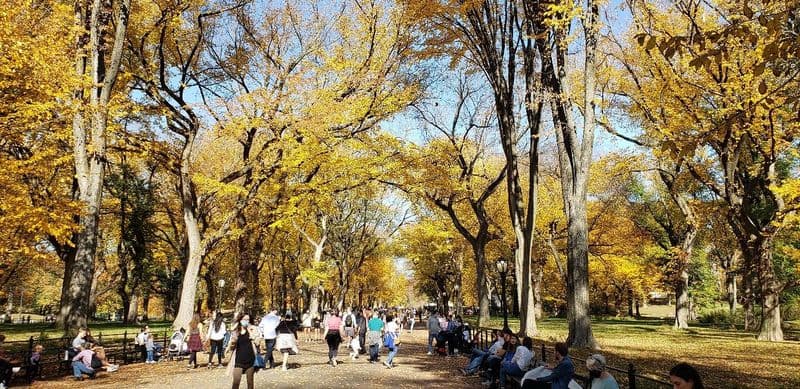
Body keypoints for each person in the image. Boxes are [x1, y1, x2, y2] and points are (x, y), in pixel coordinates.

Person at [226, 313, 261, 389]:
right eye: (244, 319)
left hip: (250, 359)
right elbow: (232, 345)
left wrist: (251, 333)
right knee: (236, 382)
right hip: (238, 360)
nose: (246, 321)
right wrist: (231, 343)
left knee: (250, 383)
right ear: (240, 320)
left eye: (248, 319)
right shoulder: (236, 331)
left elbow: (258, 343)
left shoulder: (253, 329)